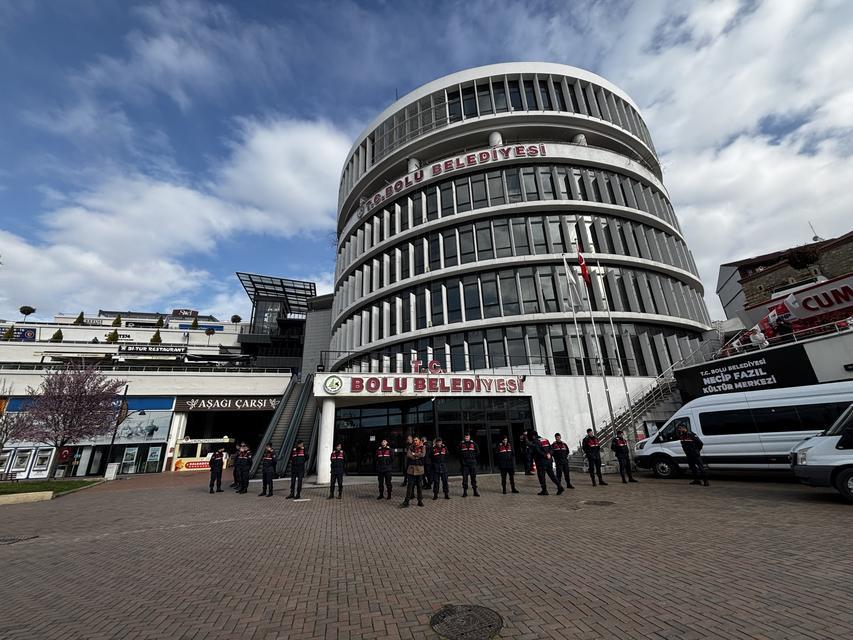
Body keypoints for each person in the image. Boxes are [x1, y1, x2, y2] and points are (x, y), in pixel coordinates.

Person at [527, 430, 564, 495]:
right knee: (552, 475)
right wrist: (549, 454)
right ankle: (559, 486)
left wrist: (545, 455)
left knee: (541, 476)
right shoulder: (545, 440)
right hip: (549, 461)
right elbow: (551, 448)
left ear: (533, 436)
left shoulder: (536, 441)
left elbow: (538, 451)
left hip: (541, 461)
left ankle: (544, 490)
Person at [401, 437, 426, 507]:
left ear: (419, 441)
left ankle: (420, 501)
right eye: (414, 440)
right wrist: (417, 455)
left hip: (419, 469)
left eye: (416, 440)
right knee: (409, 486)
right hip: (411, 469)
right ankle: (406, 501)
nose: (415, 441)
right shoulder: (410, 447)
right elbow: (409, 455)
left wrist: (414, 454)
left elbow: (423, 455)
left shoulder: (423, 447)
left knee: (419, 486)